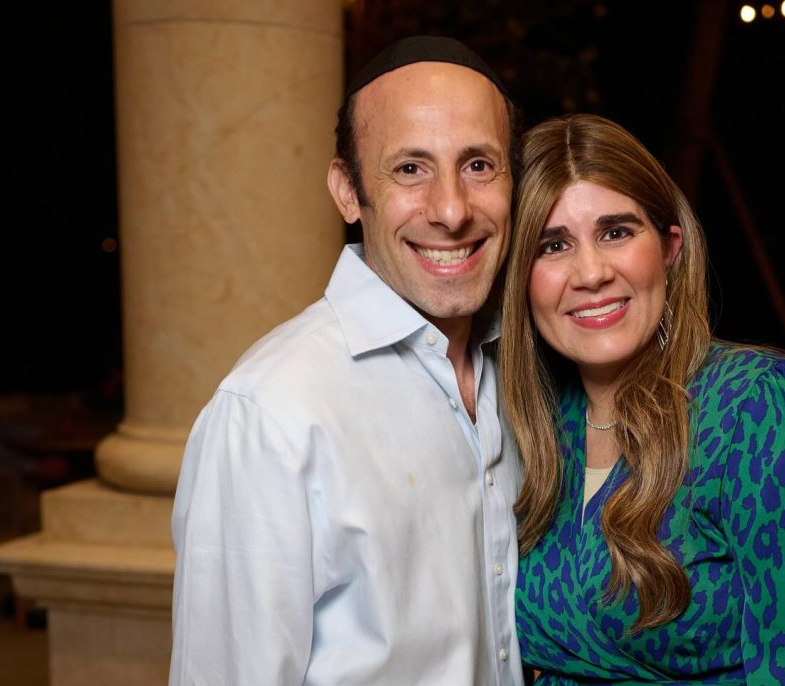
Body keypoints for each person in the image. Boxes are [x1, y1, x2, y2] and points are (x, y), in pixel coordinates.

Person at [169, 36, 525, 685]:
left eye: (479, 165)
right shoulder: (270, 413)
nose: (451, 209)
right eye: (410, 169)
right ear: (346, 190)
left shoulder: (524, 370)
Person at [499, 114, 785, 684]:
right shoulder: (534, 425)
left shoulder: (762, 407)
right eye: (553, 245)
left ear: (669, 247)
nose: (591, 273)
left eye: (616, 232)